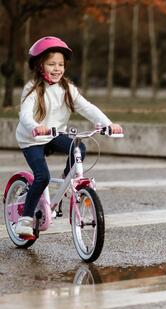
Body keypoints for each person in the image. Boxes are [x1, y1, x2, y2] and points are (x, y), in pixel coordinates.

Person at [14, 36, 123, 239]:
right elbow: (25, 115)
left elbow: (87, 108)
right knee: (42, 176)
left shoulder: (67, 89)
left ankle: (67, 180)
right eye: (51, 64)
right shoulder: (32, 89)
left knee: (79, 148)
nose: (57, 68)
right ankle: (25, 220)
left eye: (61, 64)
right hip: (32, 139)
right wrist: (36, 127)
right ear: (39, 66)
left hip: (55, 135)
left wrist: (108, 124)